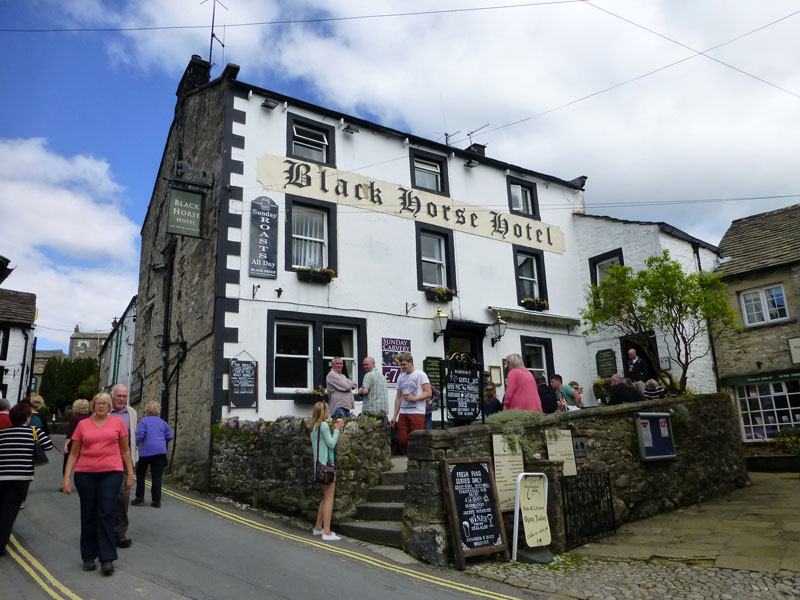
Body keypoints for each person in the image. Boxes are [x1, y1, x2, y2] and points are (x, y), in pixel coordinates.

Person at [62, 392, 134, 575]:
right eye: (98, 403)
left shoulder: (118, 424)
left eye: (104, 403)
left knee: (105, 513)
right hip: (86, 474)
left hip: (112, 472)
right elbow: (74, 453)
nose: (101, 406)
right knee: (88, 514)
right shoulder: (83, 425)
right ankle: (88, 556)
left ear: (109, 406)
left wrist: (130, 474)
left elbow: (125, 451)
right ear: (93, 406)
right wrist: (66, 478)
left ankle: (107, 558)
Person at [0, 403, 53, 556]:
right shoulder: (34, 432)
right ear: (28, 418)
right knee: (9, 512)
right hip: (21, 477)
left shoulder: (2, 433)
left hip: (1, 476)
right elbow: (48, 446)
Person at [309, 402, 344, 542]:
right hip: (327, 467)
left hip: (318, 467)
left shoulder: (313, 427)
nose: (330, 410)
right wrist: (337, 430)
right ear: (323, 412)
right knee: (329, 498)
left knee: (325, 497)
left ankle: (318, 527)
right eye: (328, 409)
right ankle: (327, 532)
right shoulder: (323, 425)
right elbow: (331, 444)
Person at [109, 384, 137, 549]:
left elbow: (132, 439)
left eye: (124, 396)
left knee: (123, 497)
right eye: (118, 396)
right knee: (107, 497)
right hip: (106, 462)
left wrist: (132, 465)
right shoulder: (105, 411)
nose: (121, 399)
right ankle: (105, 532)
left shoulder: (131, 413)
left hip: (124, 462)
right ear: (112, 396)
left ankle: (120, 534)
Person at [132, 401, 174, 508]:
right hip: (160, 452)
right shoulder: (163, 423)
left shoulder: (144, 421)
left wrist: (135, 445)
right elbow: (169, 436)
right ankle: (156, 501)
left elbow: (140, 435)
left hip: (146, 451)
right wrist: (163, 443)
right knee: (157, 477)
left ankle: (140, 498)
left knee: (140, 474)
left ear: (147, 410)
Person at [390, 353, 431, 452]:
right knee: (403, 439)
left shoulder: (421, 375)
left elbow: (428, 393)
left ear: (411, 362)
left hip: (417, 412)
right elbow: (398, 398)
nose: (402, 367)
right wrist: (394, 416)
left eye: (404, 364)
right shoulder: (400, 377)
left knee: (417, 440)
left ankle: (416, 463)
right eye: (401, 365)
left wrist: (414, 398)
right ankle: (412, 460)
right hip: (404, 412)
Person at [63, 399, 92, 475]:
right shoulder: (91, 418)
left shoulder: (74, 418)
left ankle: (66, 478)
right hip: (87, 443)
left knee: (67, 461)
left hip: (75, 443)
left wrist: (66, 445)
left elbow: (70, 433)